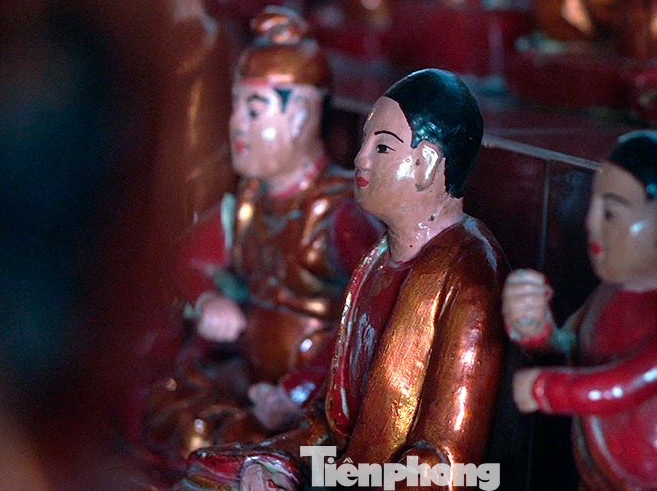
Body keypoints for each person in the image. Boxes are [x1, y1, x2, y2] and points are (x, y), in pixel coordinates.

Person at [177, 68, 509, 490]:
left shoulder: (469, 273)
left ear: (427, 165)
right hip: (340, 470)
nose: (360, 158)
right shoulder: (377, 260)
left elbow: (445, 462)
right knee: (209, 469)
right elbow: (327, 424)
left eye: (382, 147)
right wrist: (275, 463)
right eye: (364, 141)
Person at [143, 7, 382, 467]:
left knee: (234, 447)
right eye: (236, 107)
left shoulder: (338, 211)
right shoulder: (248, 201)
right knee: (170, 410)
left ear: (302, 116)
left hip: (308, 397)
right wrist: (209, 298)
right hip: (247, 379)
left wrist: (301, 389)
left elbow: (371, 314)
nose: (236, 124)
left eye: (254, 110)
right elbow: (187, 261)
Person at [504, 131, 657, 488]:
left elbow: (622, 386)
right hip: (596, 473)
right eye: (593, 206)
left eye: (610, 212)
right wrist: (536, 330)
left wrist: (545, 390)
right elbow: (572, 351)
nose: (590, 224)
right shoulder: (611, 292)